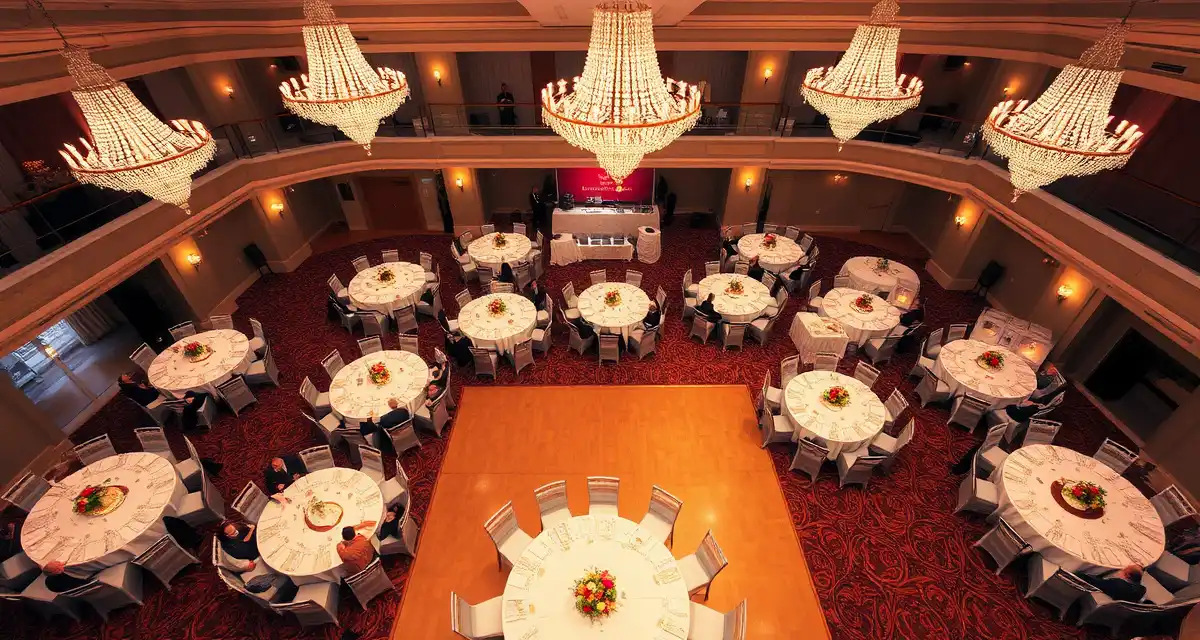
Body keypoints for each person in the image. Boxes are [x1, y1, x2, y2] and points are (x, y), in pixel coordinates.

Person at [1080, 564, 1147, 603]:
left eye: (1123, 570)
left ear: (1128, 575)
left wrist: (1081, 574)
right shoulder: (1142, 589)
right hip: (1119, 610)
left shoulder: (1116, 584)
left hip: (1102, 601)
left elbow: (1094, 583)